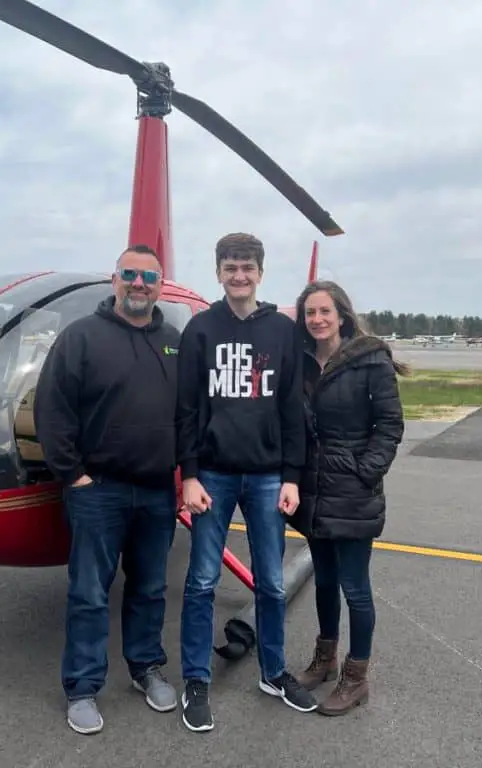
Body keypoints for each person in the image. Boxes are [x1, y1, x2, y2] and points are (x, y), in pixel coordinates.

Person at [33, 244, 183, 735]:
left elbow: (189, 414)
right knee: (90, 593)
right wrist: (73, 474)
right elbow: (52, 410)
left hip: (158, 491)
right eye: (130, 274)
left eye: (149, 277)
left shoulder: (173, 341)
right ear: (114, 280)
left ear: (161, 284)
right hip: (99, 491)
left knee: (150, 589)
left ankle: (145, 668)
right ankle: (82, 687)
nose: (140, 284)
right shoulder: (81, 338)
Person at [175, 232, 318, 733]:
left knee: (273, 583)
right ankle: (196, 678)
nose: (239, 275)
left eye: (248, 267)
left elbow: (291, 410)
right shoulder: (200, 330)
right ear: (218, 272)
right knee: (201, 582)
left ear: (261, 273)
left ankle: (273, 672)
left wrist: (291, 477)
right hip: (212, 474)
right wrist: (189, 474)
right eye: (231, 267)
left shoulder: (281, 331)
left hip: (265, 476)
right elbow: (187, 409)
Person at [287, 279, 407, 716]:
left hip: (352, 491)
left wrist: (365, 473)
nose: (317, 320)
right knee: (323, 581)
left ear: (342, 315)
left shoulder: (368, 359)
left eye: (324, 311)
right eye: (310, 313)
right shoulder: (300, 362)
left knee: (354, 587)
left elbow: (390, 425)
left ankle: (355, 678)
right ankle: (324, 658)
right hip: (314, 492)